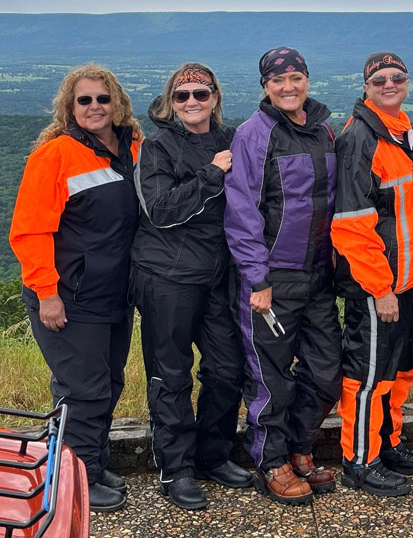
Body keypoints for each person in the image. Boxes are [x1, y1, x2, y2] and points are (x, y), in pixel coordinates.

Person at [9, 63, 142, 513]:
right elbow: (30, 232)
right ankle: (76, 478)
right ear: (70, 106)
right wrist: (47, 293)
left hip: (114, 295)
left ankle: (93, 462)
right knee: (82, 389)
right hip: (68, 296)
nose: (95, 106)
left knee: (109, 383)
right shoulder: (55, 155)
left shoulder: (133, 148)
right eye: (84, 100)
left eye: (103, 98)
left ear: (117, 103)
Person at [129, 62, 252, 511]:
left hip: (218, 274)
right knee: (171, 374)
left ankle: (212, 455)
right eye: (183, 96)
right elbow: (160, 210)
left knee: (228, 369)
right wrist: (211, 175)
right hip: (167, 276)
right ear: (172, 102)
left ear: (215, 97)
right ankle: (176, 468)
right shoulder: (157, 147)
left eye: (201, 93)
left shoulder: (232, 139)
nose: (192, 102)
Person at [224, 46, 342, 506]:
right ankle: (271, 461)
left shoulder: (324, 130)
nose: (288, 87)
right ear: (265, 87)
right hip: (272, 279)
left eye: (296, 78)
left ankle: (299, 446)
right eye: (278, 80)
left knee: (326, 371)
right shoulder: (254, 134)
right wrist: (257, 279)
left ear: (307, 80)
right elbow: (242, 211)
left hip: (318, 276)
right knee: (269, 377)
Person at [331, 51, 413, 497]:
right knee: (368, 377)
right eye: (379, 79)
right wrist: (380, 287)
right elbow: (352, 223)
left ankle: (388, 445)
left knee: (399, 370)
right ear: (366, 87)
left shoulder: (406, 134)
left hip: (404, 283)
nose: (389, 84)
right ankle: (359, 462)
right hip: (376, 287)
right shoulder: (360, 139)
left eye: (397, 77)